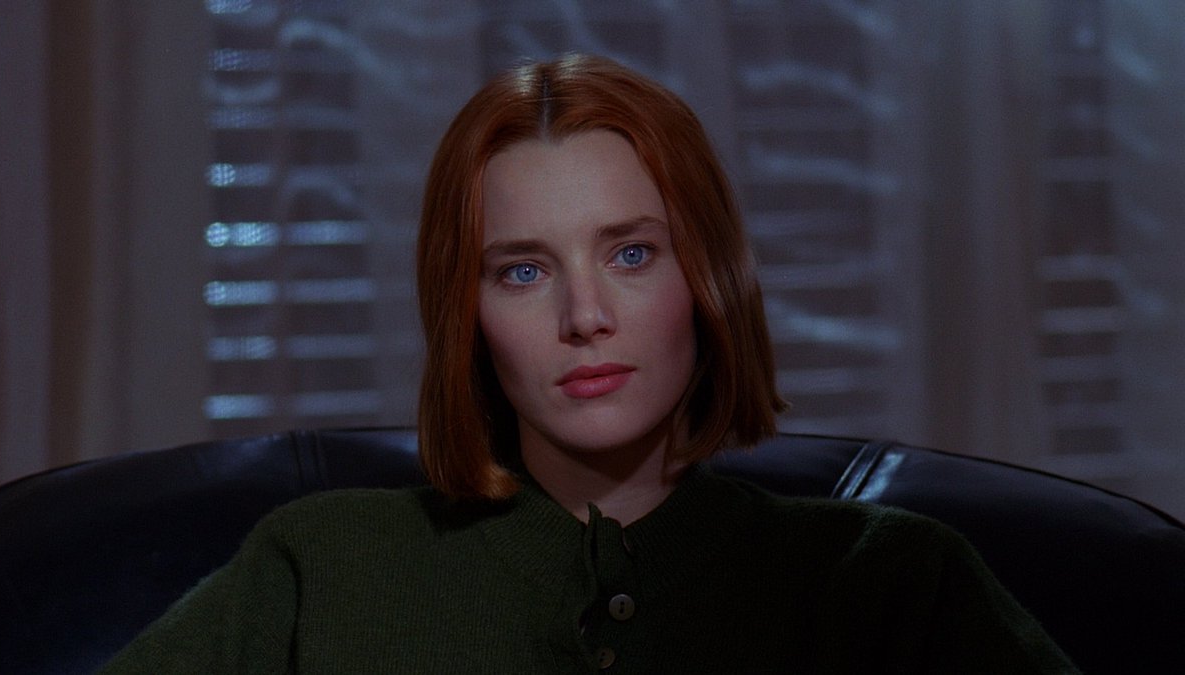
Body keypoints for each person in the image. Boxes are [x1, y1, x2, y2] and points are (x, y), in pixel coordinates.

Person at [101, 54, 1078, 673]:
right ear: (467, 314)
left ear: (708, 278)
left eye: (632, 254)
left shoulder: (893, 582)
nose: (584, 316)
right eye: (523, 271)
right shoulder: (319, 568)